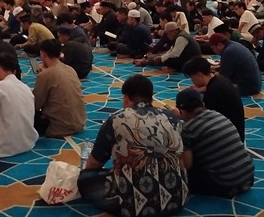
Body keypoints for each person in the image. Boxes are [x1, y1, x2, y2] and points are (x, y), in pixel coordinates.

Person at [78, 74, 187, 217]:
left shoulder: (116, 120)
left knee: (85, 179)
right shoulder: (172, 117)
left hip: (132, 205)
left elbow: (94, 164)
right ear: (151, 98)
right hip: (176, 198)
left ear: (126, 98)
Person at [175, 88, 254, 197]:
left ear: (182, 112)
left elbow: (187, 165)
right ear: (202, 104)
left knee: (180, 175)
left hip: (227, 184)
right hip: (248, 176)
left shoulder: (188, 129)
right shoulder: (217, 115)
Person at [182, 57, 245, 141]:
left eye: (192, 77)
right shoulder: (220, 80)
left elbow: (205, 120)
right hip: (235, 133)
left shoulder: (214, 91)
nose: (192, 80)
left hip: (227, 138)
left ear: (199, 75)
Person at [33, 39, 87, 137]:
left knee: (21, 111)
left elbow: (35, 104)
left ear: (43, 54)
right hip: (79, 121)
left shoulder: (45, 75)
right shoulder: (70, 69)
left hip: (58, 126)